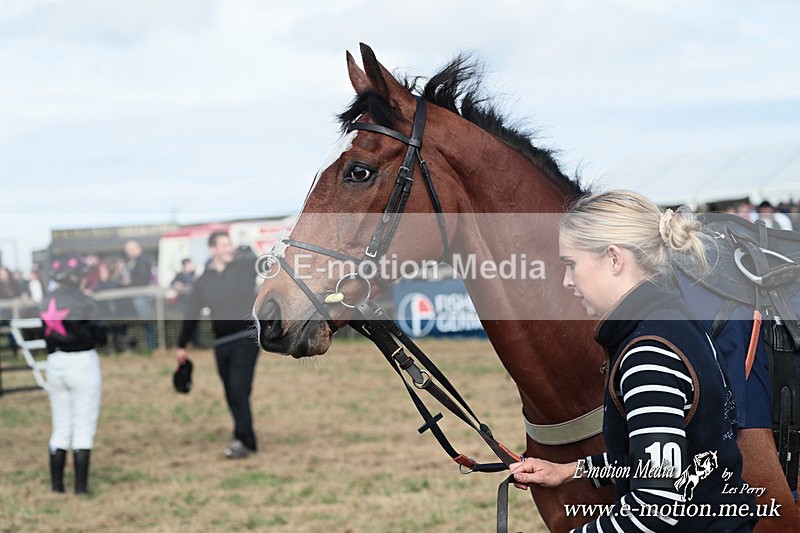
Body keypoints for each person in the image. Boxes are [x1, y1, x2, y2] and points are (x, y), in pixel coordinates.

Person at [510, 191, 757, 531]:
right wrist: (571, 471)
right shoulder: (672, 320)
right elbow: (659, 461)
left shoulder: (647, 353)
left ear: (614, 258)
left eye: (571, 264)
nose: (567, 281)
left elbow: (655, 510)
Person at [175, 232, 260, 459]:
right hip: (221, 343)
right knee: (232, 392)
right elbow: (191, 313)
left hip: (246, 338)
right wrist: (181, 345)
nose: (229, 248)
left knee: (238, 388)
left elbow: (267, 263)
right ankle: (246, 438)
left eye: (229, 244)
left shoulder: (245, 267)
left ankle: (243, 439)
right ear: (212, 250)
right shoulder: (204, 281)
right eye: (224, 245)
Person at [40, 257, 105, 494]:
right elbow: (100, 334)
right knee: (84, 426)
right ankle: (80, 487)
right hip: (82, 362)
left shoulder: (47, 300)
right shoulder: (86, 302)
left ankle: (57, 486)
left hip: (55, 362)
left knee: (60, 426)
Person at [123, 240, 156, 349]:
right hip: (138, 295)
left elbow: (143, 279)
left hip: (141, 295)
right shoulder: (136, 261)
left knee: (147, 321)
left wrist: (130, 282)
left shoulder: (142, 260)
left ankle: (151, 346)